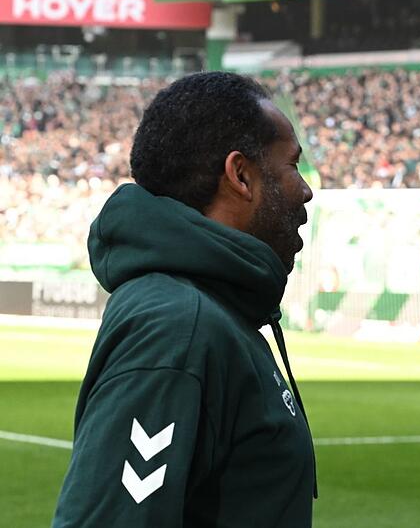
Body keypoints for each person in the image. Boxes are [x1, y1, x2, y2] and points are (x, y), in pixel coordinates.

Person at [53, 72, 316, 527]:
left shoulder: (214, 313)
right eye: (293, 165)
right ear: (240, 176)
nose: (306, 189)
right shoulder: (177, 326)